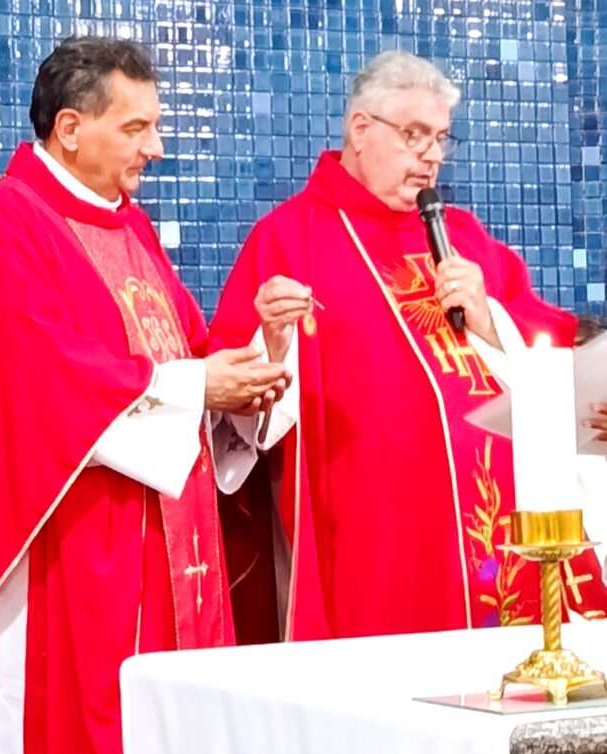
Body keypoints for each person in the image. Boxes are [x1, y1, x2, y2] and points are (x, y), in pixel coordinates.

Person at [0, 36, 303, 754]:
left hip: (163, 557)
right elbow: (40, 381)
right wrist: (200, 382)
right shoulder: (2, 228)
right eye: (140, 127)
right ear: (73, 127)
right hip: (66, 561)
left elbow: (178, 357)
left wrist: (258, 357)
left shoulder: (128, 227)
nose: (156, 147)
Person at [210, 50, 607, 643]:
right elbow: (234, 392)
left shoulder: (464, 236)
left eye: (442, 138)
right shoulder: (290, 240)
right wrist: (271, 337)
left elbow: (548, 338)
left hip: (503, 524)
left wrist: (490, 317)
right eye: (416, 134)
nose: (432, 155)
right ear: (361, 129)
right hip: (378, 534)